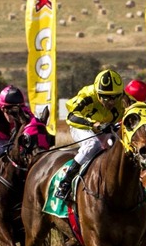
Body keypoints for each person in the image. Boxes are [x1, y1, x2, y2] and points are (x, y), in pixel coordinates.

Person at [54, 69, 125, 200]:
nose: (111, 101)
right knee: (92, 144)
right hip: (81, 126)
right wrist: (94, 125)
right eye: (106, 97)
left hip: (104, 127)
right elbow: (71, 116)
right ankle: (65, 182)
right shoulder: (87, 96)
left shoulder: (123, 98)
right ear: (97, 93)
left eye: (115, 96)